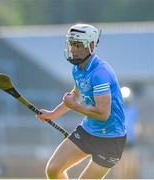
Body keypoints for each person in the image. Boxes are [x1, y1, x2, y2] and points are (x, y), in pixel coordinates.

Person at [36, 23, 126, 179]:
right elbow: (75, 95)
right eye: (71, 44)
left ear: (91, 46)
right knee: (53, 170)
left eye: (78, 45)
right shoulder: (77, 69)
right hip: (88, 131)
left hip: (111, 139)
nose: (73, 49)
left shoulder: (100, 73)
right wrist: (53, 114)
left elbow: (103, 114)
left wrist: (75, 106)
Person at [110, 87, 140, 178]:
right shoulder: (117, 110)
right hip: (120, 141)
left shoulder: (133, 110)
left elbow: (136, 126)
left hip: (130, 141)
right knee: (120, 165)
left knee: (130, 164)